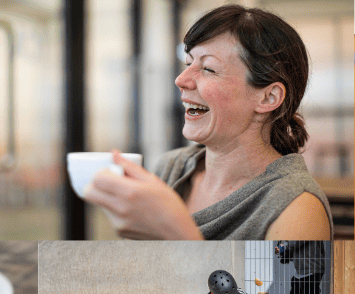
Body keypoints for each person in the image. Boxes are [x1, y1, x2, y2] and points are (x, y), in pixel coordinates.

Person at [85, 5, 331, 241]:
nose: (181, 79)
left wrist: (178, 234)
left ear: (269, 97)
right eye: (188, 63)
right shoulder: (171, 168)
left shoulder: (298, 207)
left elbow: (279, 287)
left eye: (209, 69)